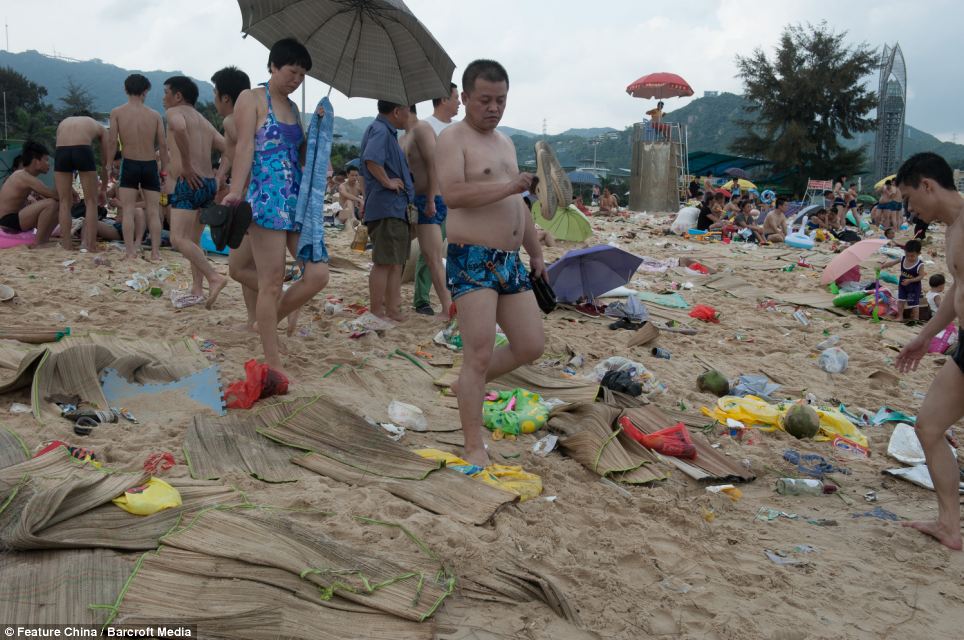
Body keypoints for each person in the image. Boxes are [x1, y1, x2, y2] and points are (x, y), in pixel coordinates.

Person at [436, 59, 546, 467]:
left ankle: (467, 385)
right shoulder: (452, 138)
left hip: (510, 259)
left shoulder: (505, 142)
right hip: (472, 258)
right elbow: (453, 194)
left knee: (531, 345)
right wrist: (509, 186)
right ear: (464, 97)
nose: (494, 108)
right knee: (478, 355)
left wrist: (535, 251)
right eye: (485, 100)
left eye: (501, 100)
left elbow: (519, 203)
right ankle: (473, 445)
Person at [225, 38, 330, 375]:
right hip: (264, 198)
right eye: (292, 71)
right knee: (269, 281)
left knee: (317, 274)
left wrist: (315, 131)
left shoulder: (294, 109)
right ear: (273, 65)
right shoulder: (252, 98)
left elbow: (298, 156)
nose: (296, 79)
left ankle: (265, 323)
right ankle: (273, 362)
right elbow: (244, 147)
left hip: (295, 200)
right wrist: (235, 192)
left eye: (302, 74)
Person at [893, 152, 964, 550]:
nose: (909, 207)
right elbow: (958, 291)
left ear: (927, 185)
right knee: (929, 427)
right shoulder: (953, 227)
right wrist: (924, 337)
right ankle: (949, 527)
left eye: (908, 197)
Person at [163, 75, 228, 307]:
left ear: (178, 96)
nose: (164, 98)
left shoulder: (174, 112)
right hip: (208, 183)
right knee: (194, 240)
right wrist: (220, 176)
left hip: (188, 182)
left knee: (177, 238)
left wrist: (187, 166)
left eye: (166, 92)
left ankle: (214, 277)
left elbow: (179, 128)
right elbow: (229, 147)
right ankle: (197, 289)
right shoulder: (203, 120)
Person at [360, 101, 414, 321]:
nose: (409, 115)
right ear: (397, 111)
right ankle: (378, 311)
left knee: (395, 262)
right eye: (408, 110)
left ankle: (392, 309)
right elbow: (371, 159)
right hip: (387, 207)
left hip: (393, 207)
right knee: (384, 262)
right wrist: (387, 182)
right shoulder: (381, 130)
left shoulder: (384, 131)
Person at [210, 66, 255, 326]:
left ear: (226, 97)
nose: (215, 100)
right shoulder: (256, 114)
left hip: (248, 199)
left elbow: (242, 153)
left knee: (238, 269)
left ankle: (285, 300)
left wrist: (233, 187)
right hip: (258, 196)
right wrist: (221, 177)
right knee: (251, 267)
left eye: (216, 94)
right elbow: (231, 153)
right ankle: (252, 320)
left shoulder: (232, 119)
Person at [107, 74, 168, 260]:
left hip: (130, 163)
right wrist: (164, 169)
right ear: (145, 91)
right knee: (153, 210)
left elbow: (112, 142)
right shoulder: (155, 115)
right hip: (149, 164)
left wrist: (109, 164)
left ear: (126, 90)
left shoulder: (117, 112)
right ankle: (156, 253)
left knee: (128, 209)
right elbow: (163, 145)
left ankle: (130, 252)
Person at [400, 104, 452, 319]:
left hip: (431, 199)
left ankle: (447, 307)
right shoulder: (406, 135)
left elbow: (434, 164)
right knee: (423, 255)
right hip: (417, 200)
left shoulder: (422, 129)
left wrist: (430, 198)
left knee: (432, 256)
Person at [412, 82, 460, 316]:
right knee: (429, 251)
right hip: (431, 198)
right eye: (456, 97)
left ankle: (455, 297)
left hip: (455, 199)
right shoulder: (424, 126)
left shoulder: (459, 129)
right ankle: (422, 298)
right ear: (443, 100)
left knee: (454, 249)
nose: (459, 102)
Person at [53, 112, 109, 251]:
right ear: (91, 117)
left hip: (61, 151)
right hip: (82, 149)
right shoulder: (98, 126)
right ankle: (90, 245)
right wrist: (103, 189)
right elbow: (105, 162)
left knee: (64, 202)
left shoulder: (64, 122)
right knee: (91, 202)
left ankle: (66, 245)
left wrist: (70, 189)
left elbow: (61, 152)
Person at [0, 141, 59, 245]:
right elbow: (52, 195)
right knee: (51, 203)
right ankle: (39, 242)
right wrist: (62, 182)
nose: (48, 163)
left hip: (14, 218)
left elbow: (51, 195)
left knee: (56, 204)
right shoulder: (23, 176)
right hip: (7, 221)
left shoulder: (26, 177)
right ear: (36, 162)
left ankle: (44, 239)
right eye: (46, 160)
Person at [881, 239, 925, 321]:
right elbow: (892, 263)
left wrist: (910, 281)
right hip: (902, 285)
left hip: (914, 287)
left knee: (914, 304)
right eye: (907, 255)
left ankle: (916, 319)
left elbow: (921, 276)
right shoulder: (903, 258)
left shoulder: (920, 264)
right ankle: (900, 316)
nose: (909, 258)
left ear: (919, 254)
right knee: (900, 301)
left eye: (912, 256)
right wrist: (883, 266)